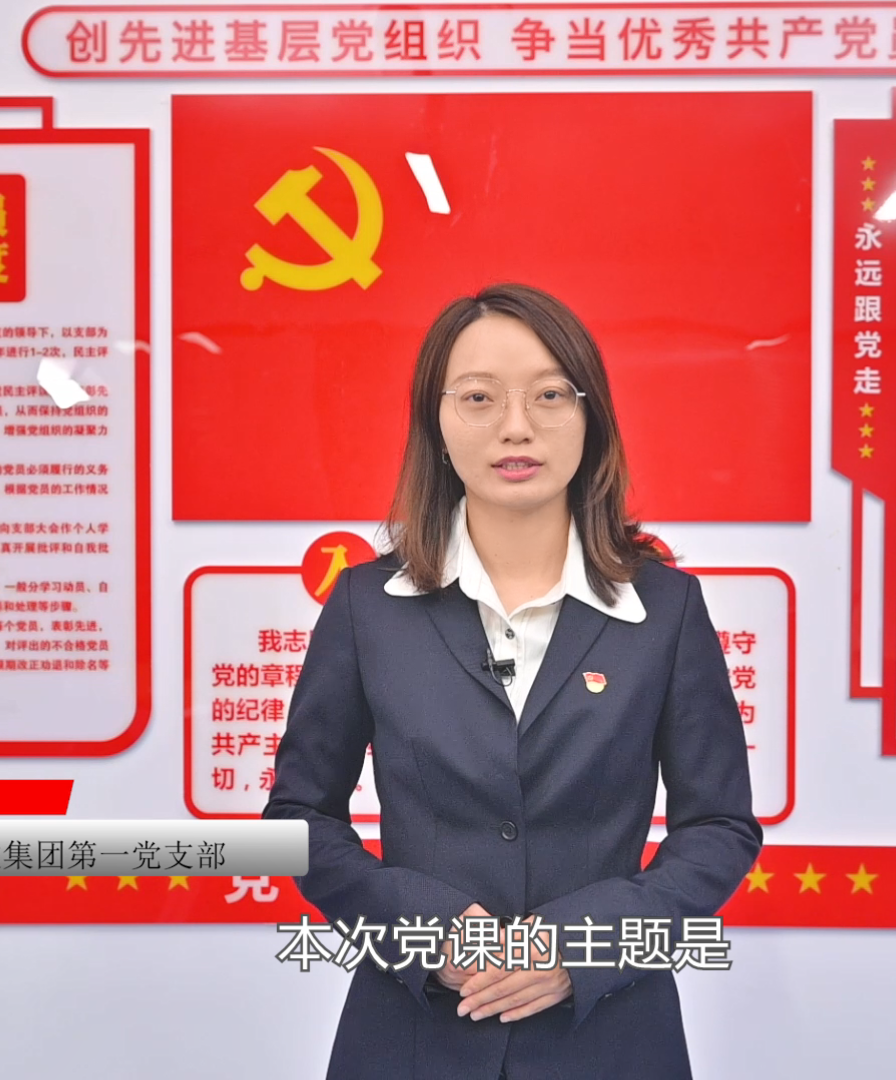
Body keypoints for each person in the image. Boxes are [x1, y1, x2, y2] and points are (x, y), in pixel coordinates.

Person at [262, 282, 763, 1080]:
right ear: (436, 421)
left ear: (590, 416)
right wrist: (427, 929)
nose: (516, 426)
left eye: (550, 395)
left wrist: (582, 944)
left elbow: (719, 828)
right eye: (479, 398)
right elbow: (298, 820)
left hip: (609, 1038)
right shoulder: (367, 607)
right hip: (414, 1039)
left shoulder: (665, 609)